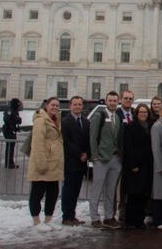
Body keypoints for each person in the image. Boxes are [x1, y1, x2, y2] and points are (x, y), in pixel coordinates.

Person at [27, 96, 64, 232]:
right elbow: (37, 143)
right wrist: (42, 163)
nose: (55, 107)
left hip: (54, 164)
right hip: (43, 163)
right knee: (37, 192)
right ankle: (36, 221)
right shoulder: (41, 121)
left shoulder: (56, 120)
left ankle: (48, 219)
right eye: (52, 105)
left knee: (53, 193)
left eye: (56, 105)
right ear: (46, 106)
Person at [88, 91, 122, 230]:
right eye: (110, 100)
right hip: (101, 158)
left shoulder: (117, 118)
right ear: (106, 101)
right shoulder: (99, 116)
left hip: (115, 158)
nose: (112, 103)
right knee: (97, 188)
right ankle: (94, 217)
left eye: (115, 101)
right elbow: (93, 136)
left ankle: (109, 216)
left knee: (111, 190)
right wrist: (94, 156)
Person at [121, 103, 152, 230]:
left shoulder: (150, 127)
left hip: (146, 165)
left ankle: (140, 220)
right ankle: (130, 221)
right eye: (141, 112)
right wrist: (133, 164)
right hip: (134, 166)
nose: (143, 114)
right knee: (133, 194)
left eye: (145, 112)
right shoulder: (131, 127)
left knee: (143, 194)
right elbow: (128, 146)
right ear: (137, 114)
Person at [60, 96, 90, 227]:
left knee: (76, 190)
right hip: (71, 161)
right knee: (68, 191)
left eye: (80, 104)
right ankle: (66, 216)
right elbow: (66, 142)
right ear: (70, 106)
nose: (77, 107)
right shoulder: (65, 122)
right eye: (75, 104)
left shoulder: (86, 121)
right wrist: (79, 155)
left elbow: (89, 139)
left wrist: (87, 154)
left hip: (82, 162)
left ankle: (72, 215)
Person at [115, 89, 135, 225]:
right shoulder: (115, 114)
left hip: (132, 156)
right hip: (119, 155)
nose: (128, 100)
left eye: (130, 98)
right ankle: (117, 213)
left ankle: (129, 212)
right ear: (120, 100)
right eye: (125, 98)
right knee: (117, 187)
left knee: (130, 186)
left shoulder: (135, 113)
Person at [2, 98, 23, 169]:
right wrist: (16, 120)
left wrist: (18, 121)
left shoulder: (15, 111)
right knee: (9, 147)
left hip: (12, 130)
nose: (18, 106)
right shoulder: (10, 110)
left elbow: (16, 119)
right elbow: (7, 120)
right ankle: (8, 163)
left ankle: (11, 162)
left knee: (11, 148)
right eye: (17, 104)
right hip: (8, 130)